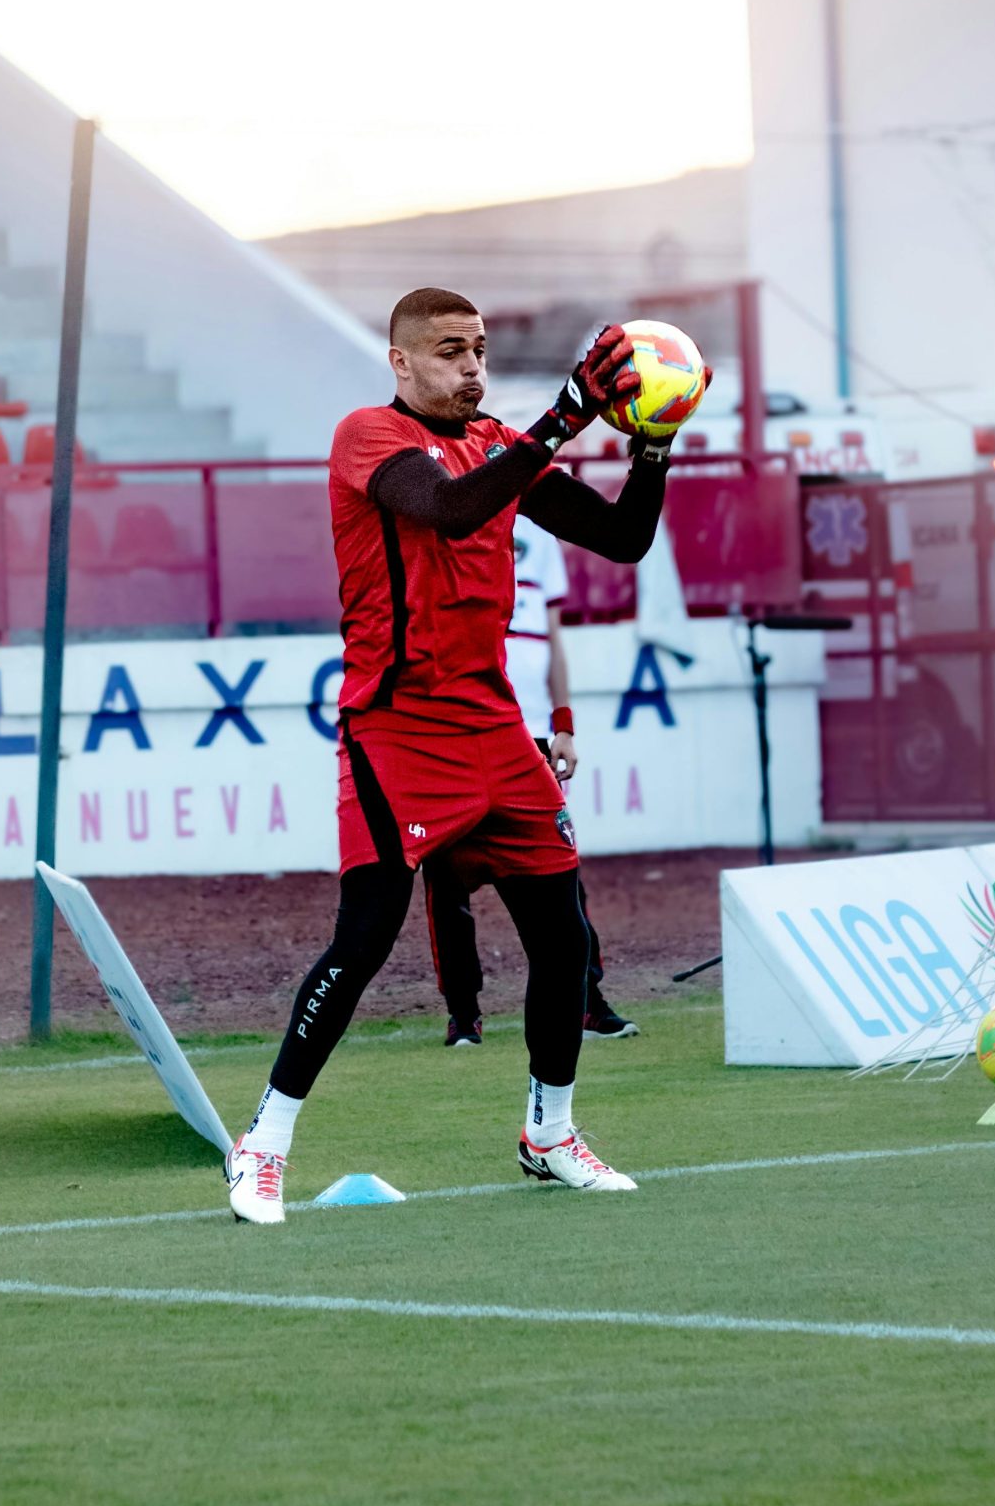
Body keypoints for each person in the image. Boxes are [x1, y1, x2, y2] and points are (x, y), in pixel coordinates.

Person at [224, 290, 687, 1225]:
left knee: (566, 939)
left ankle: (549, 1134)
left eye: (477, 350)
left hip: (495, 727)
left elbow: (623, 539)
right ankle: (262, 1145)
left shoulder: (497, 441)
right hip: (394, 728)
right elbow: (445, 511)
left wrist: (653, 441)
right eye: (448, 352)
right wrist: (564, 418)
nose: (470, 367)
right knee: (363, 942)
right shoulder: (367, 436)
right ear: (402, 363)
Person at [426, 513, 637, 1047]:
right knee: (446, 882)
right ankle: (463, 1015)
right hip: (458, 734)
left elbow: (553, 637)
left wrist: (562, 724)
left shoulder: (541, 531)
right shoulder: (445, 511)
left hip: (533, 738)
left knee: (561, 875)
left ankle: (587, 1003)